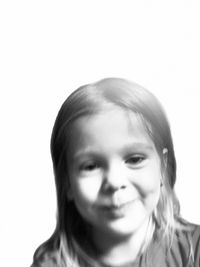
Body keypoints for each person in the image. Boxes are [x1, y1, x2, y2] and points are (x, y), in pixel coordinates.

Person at [31, 78, 200, 267]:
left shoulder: (194, 249)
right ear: (67, 182)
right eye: (91, 166)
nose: (114, 181)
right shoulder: (51, 263)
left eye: (135, 159)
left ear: (162, 166)